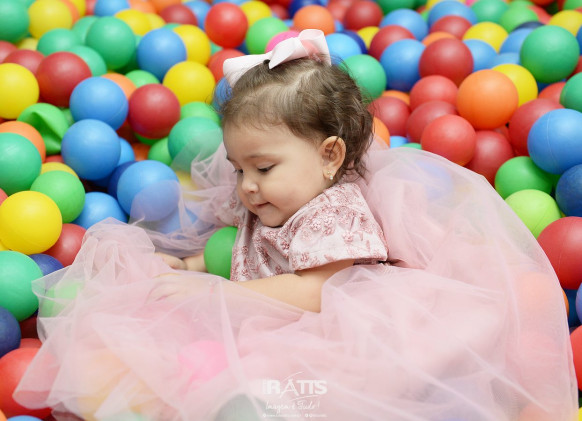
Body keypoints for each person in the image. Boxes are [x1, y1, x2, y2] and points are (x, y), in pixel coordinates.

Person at [16, 30, 576, 421]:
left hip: (341, 333)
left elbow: (316, 289)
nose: (246, 185)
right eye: (239, 168)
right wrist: (189, 264)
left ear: (330, 156)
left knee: (302, 395)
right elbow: (247, 251)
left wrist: (216, 292)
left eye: (263, 168)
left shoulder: (334, 210)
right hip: (268, 321)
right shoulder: (274, 200)